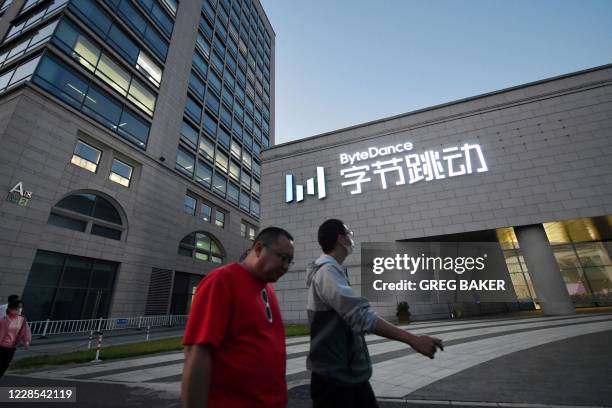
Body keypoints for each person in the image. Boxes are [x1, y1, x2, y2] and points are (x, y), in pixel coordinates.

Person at [306, 219, 444, 408]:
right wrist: (413, 339)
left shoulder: (333, 271)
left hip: (347, 373)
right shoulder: (327, 273)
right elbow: (361, 316)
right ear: (340, 239)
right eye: (349, 234)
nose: (351, 238)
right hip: (334, 379)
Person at [182, 227, 294, 408]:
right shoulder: (221, 281)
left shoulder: (268, 288)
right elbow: (197, 354)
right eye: (282, 258)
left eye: (290, 261)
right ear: (258, 249)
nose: (285, 267)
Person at [0, 300, 31, 377]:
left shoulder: (21, 320)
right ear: (10, 309)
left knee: (5, 365)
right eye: (17, 308)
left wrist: (26, 342)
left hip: (11, 347)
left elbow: (24, 331)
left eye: (20, 307)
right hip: (1, 346)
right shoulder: (2, 320)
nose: (19, 309)